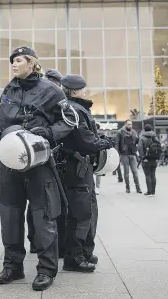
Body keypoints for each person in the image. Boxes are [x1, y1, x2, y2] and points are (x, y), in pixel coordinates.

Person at [0, 46, 76, 291]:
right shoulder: (9, 88)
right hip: (9, 163)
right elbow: (2, 119)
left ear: (32, 63)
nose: (14, 65)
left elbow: (69, 120)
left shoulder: (51, 90)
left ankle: (46, 269)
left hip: (38, 164)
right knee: (9, 215)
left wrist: (49, 133)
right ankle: (12, 267)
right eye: (12, 62)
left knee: (43, 217)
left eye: (18, 60)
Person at [58, 74, 112, 273]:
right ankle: (74, 257)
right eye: (82, 89)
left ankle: (84, 252)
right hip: (77, 167)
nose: (85, 91)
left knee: (86, 211)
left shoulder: (75, 108)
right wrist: (106, 143)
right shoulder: (75, 109)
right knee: (80, 214)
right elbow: (85, 141)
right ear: (73, 91)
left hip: (80, 167)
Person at [25, 68, 64, 254]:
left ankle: (35, 240)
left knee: (38, 203)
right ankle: (36, 240)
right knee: (43, 203)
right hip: (41, 157)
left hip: (48, 155)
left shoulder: (53, 96)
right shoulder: (44, 95)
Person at [115, 120, 142, 194]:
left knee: (135, 172)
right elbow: (117, 143)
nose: (130, 126)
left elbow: (137, 141)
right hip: (124, 154)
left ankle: (138, 188)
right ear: (125, 124)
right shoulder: (120, 132)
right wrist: (117, 154)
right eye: (129, 124)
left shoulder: (134, 132)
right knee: (126, 172)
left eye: (131, 124)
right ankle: (127, 188)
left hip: (132, 154)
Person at [138, 124, 160, 196]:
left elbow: (140, 148)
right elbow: (159, 148)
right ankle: (153, 192)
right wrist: (158, 158)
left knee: (147, 175)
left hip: (146, 159)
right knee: (153, 175)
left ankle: (149, 191)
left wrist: (143, 158)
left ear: (144, 129)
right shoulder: (155, 137)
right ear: (151, 129)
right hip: (154, 159)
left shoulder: (142, 137)